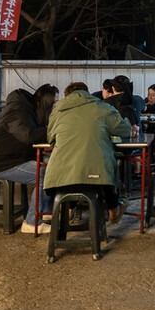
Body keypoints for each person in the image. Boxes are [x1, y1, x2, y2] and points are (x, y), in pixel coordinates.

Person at [43, 82, 132, 224]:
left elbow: (50, 138)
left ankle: (69, 211)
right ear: (87, 93)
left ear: (67, 95)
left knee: (71, 174)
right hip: (98, 179)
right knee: (104, 166)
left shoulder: (57, 111)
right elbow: (125, 130)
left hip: (59, 178)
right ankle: (113, 210)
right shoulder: (102, 108)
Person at [0, 84, 59, 234]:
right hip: (0, 163)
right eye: (53, 103)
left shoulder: (29, 110)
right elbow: (28, 136)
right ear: (45, 103)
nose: (55, 106)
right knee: (46, 175)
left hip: (17, 157)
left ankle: (46, 212)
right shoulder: (18, 111)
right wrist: (53, 130)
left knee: (56, 165)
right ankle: (31, 222)